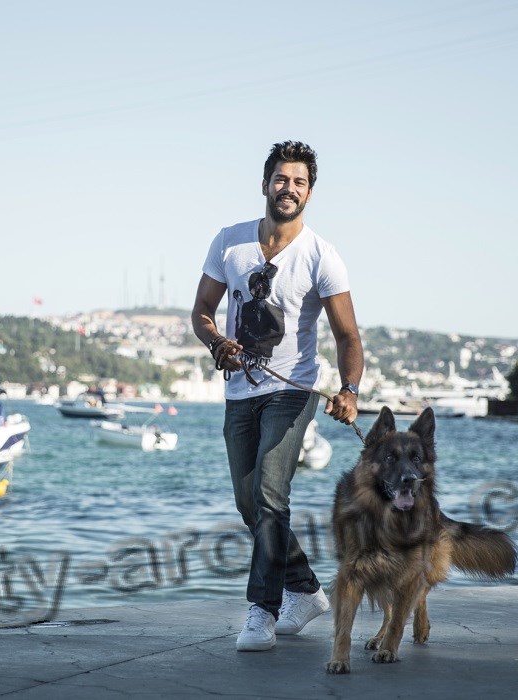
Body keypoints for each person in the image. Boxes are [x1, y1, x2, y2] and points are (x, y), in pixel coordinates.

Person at [191, 140, 363, 651]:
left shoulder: (321, 256)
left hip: (293, 392)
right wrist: (217, 341)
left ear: (310, 192)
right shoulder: (230, 242)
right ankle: (305, 590)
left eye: (300, 182)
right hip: (240, 392)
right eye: (281, 179)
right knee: (250, 504)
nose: (289, 189)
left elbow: (348, 337)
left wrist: (349, 390)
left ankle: (261, 612)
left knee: (269, 493)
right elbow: (201, 311)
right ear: (265, 184)